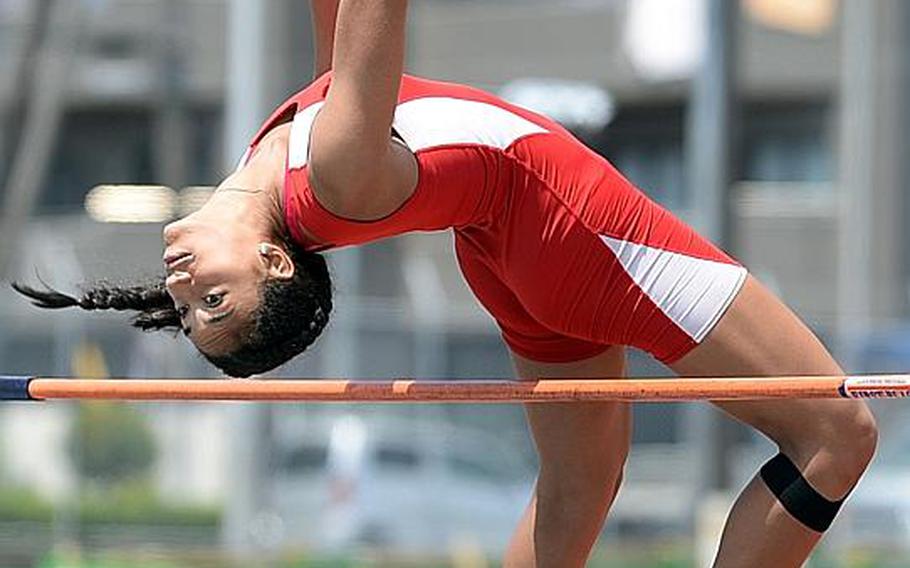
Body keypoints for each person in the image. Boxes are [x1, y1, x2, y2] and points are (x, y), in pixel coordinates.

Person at [13, 2, 876, 566]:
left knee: (577, 491)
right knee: (837, 433)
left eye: (192, 310)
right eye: (216, 304)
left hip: (512, 259)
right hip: (575, 228)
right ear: (275, 263)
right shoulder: (338, 176)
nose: (184, 286)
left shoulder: (286, 162)